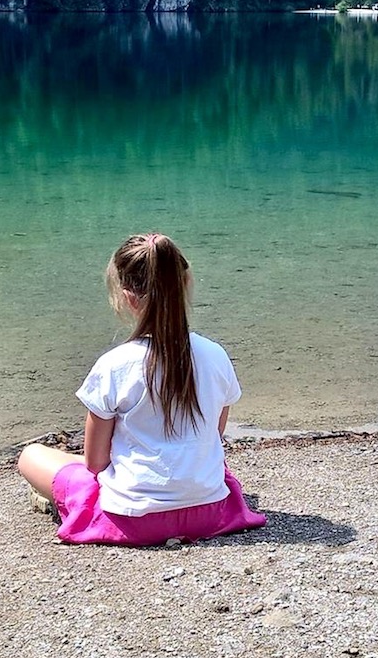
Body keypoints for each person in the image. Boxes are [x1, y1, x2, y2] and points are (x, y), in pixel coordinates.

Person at [17, 232, 266, 546]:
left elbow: (95, 463)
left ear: (128, 297)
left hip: (135, 520)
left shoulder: (115, 364)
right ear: (186, 283)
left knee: (31, 455)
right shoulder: (215, 355)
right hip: (209, 511)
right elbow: (212, 439)